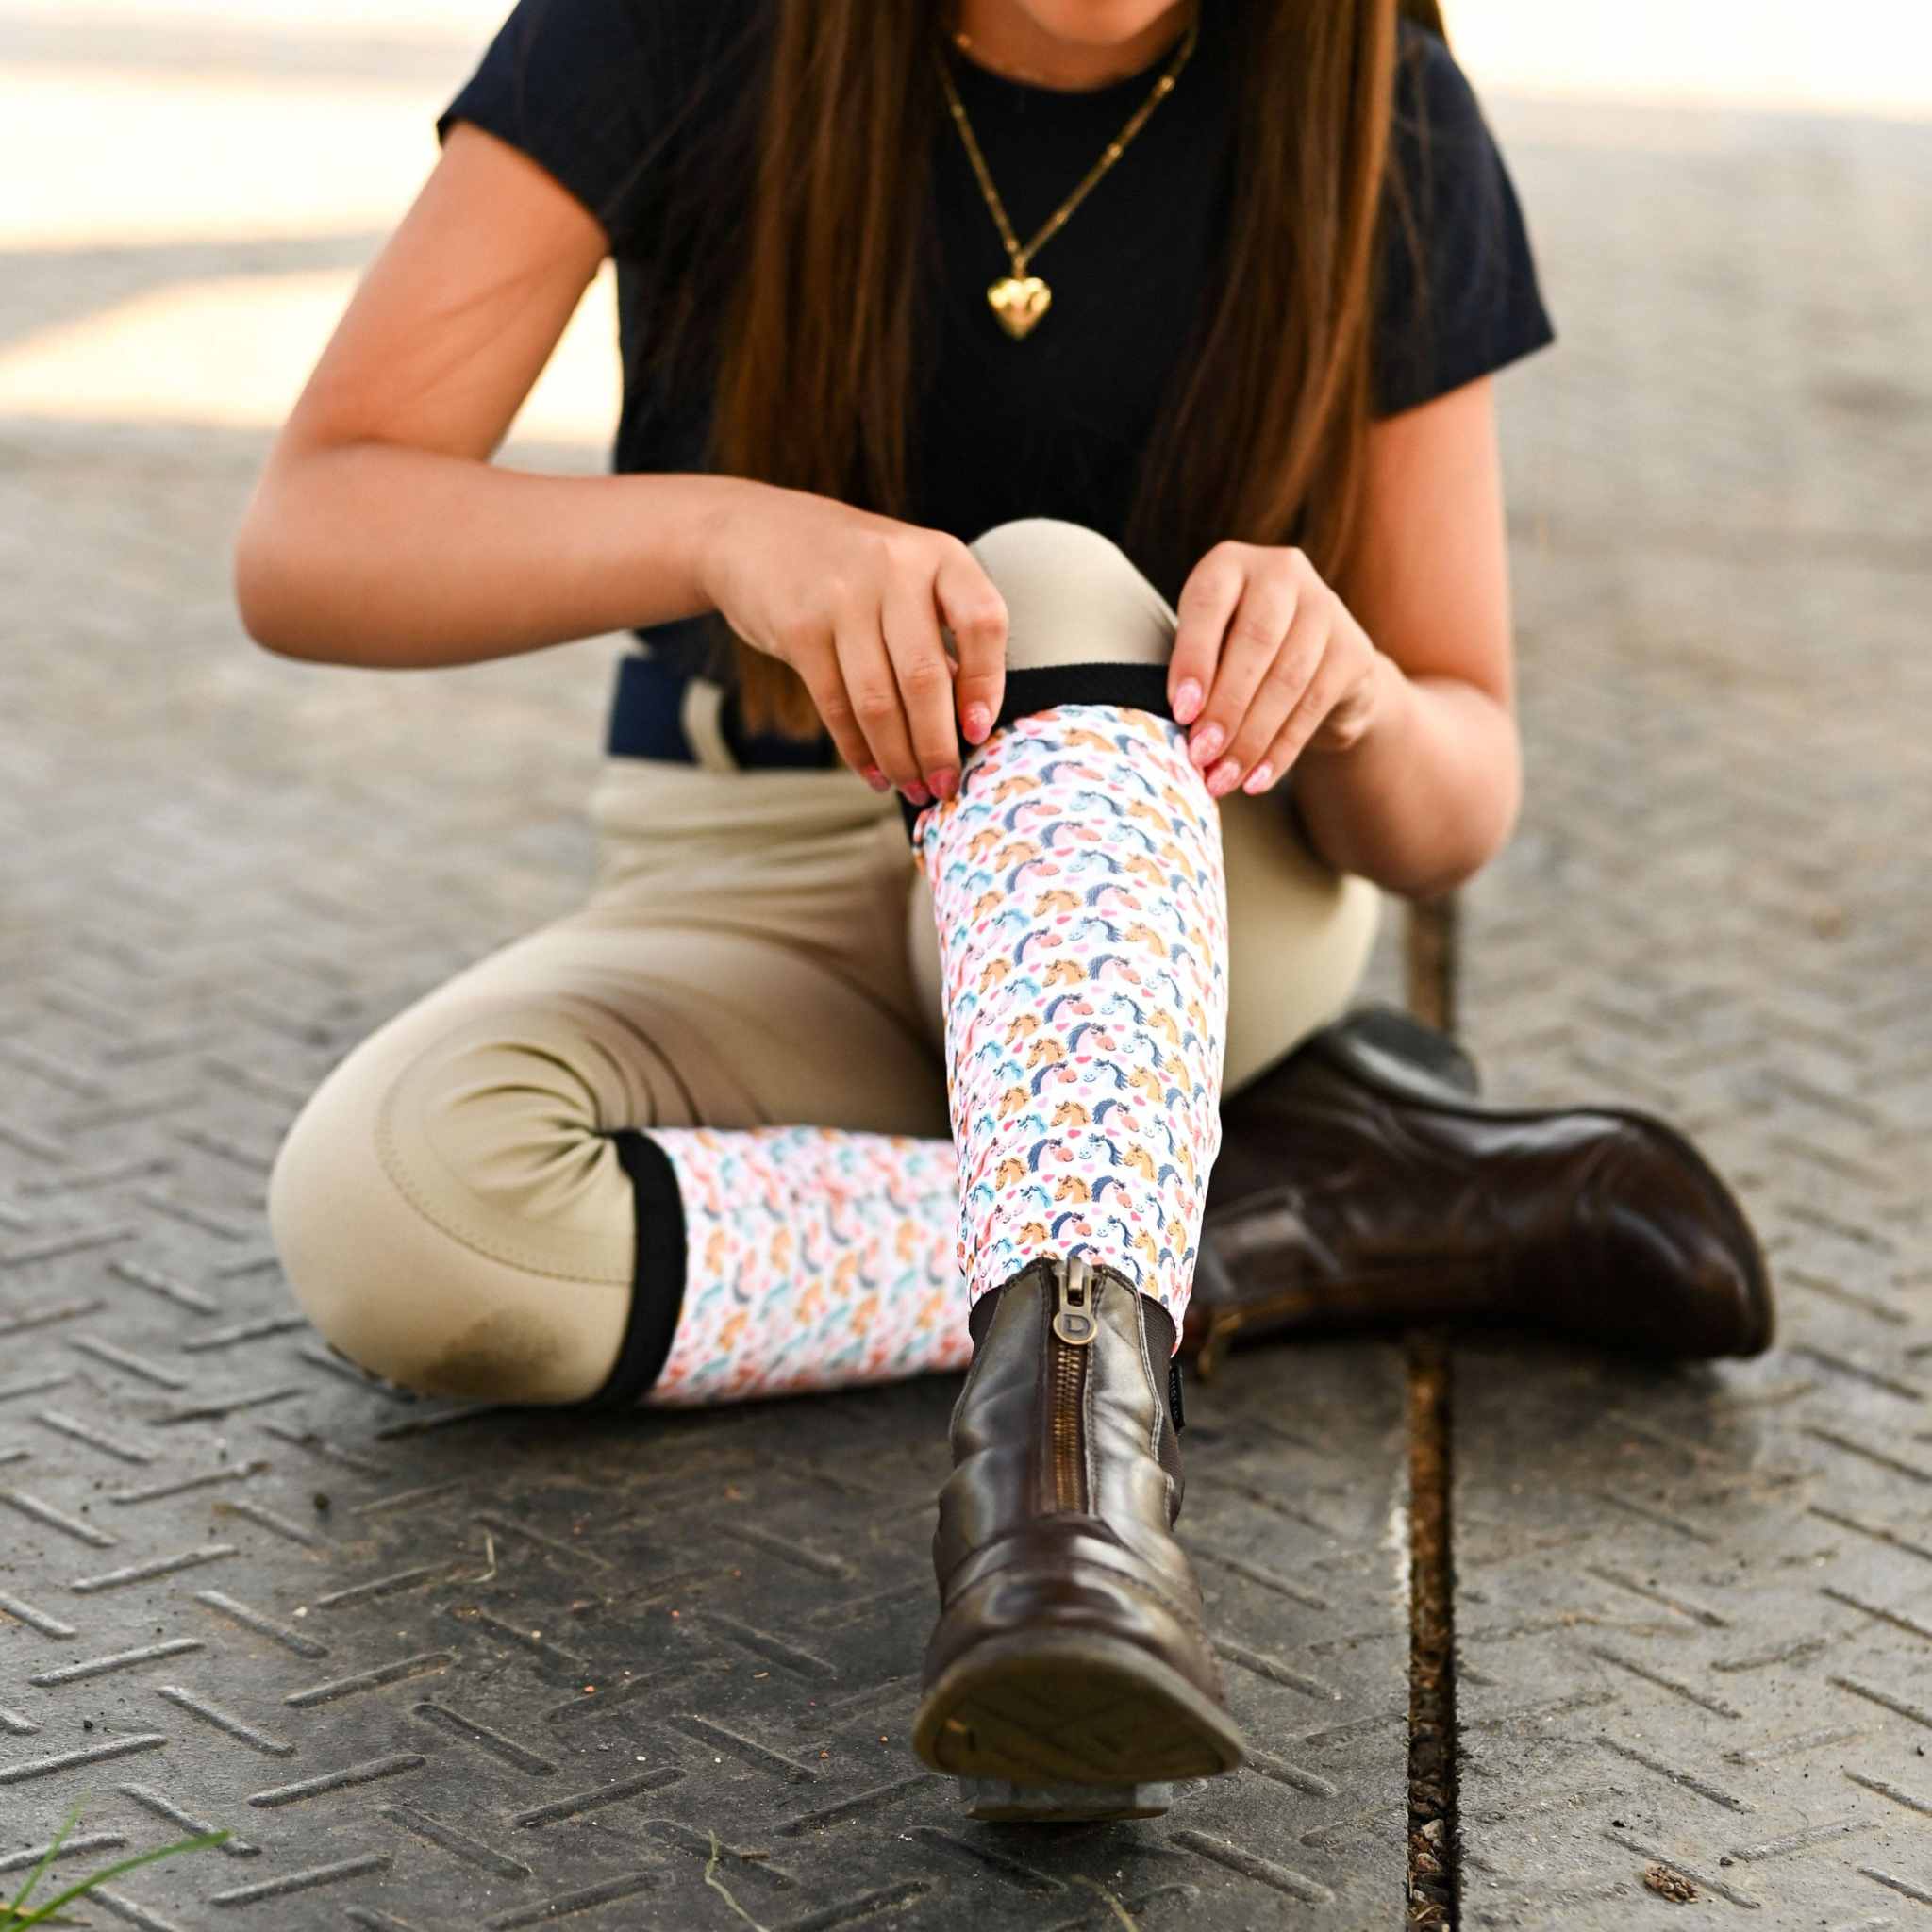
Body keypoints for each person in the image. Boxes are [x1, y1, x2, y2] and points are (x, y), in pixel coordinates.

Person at [235, 0, 1773, 1823]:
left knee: (1040, 576)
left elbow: (1458, 795)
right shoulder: (673, 25)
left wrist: (1347, 684)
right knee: (398, 1219)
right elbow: (312, 537)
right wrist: (727, 533)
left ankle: (1071, 1514)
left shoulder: (1376, 90)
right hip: (765, 864)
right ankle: (1263, 1210)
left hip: (1177, 890)